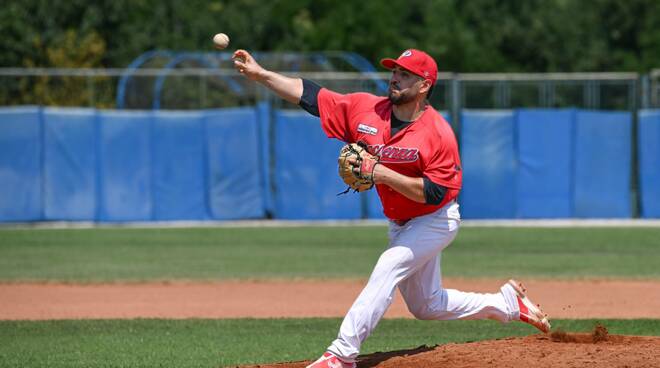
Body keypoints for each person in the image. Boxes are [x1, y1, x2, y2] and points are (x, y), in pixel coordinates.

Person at [232, 48, 551, 368]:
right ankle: (508, 305)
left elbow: (434, 193)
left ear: (424, 85)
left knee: (389, 265)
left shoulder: (438, 133)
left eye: (405, 74)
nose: (395, 78)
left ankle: (341, 354)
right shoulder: (366, 110)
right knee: (427, 305)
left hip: (436, 218)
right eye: (395, 71)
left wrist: (379, 172)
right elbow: (313, 96)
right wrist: (262, 75)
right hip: (401, 222)